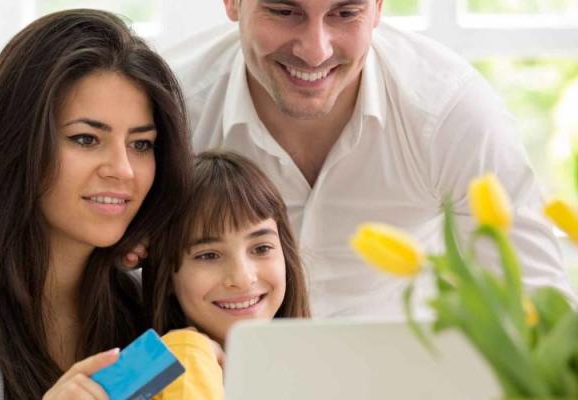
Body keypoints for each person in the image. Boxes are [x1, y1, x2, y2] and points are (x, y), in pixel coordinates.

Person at [165, 0, 576, 317]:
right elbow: (119, 281)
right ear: (233, 2)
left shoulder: (447, 111)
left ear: (377, 7)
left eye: (345, 13)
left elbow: (537, 298)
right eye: (284, 10)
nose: (314, 50)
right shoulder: (173, 106)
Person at [0, 9, 193, 400]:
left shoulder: (153, 307)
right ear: (17, 144)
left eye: (141, 144)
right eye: (86, 139)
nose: (123, 170)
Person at [144, 150, 311, 399]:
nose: (243, 278)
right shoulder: (161, 357)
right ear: (167, 273)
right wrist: (191, 351)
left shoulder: (316, 365)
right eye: (208, 255)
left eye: (261, 248)